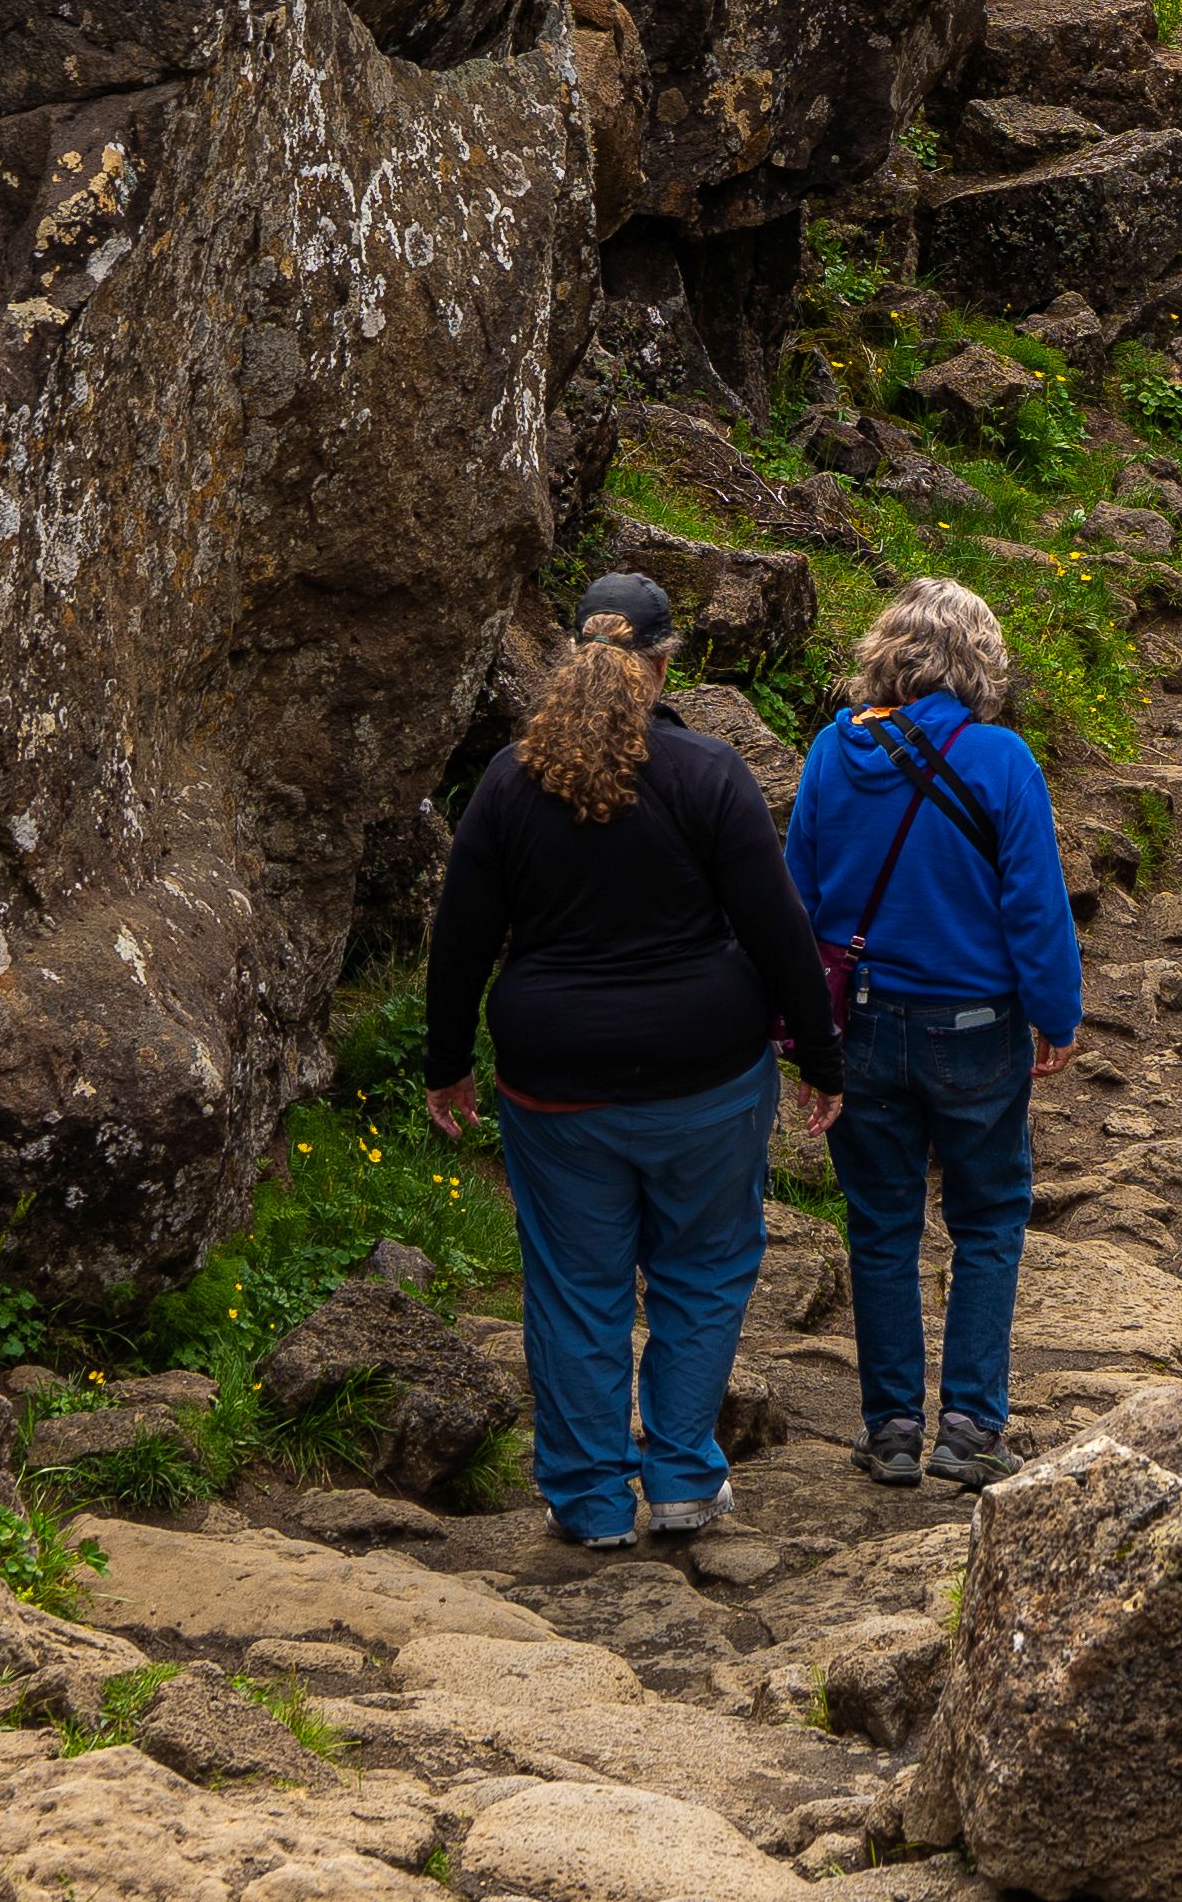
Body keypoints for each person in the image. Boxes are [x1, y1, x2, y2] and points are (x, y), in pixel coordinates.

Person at [419, 571, 840, 1554]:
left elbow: (461, 941)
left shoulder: (510, 782)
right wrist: (822, 1057)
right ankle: (687, 1481)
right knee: (703, 1269)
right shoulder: (709, 774)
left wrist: (447, 1064)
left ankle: (591, 1502)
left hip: (557, 1083)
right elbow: (779, 931)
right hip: (707, 1076)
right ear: (663, 662)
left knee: (578, 1286)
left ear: (573, 655)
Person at [783, 579, 1088, 1493]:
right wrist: (1057, 1012)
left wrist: (806, 1033)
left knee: (880, 1223)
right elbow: (1033, 903)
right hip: (976, 1027)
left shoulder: (832, 755)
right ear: (978, 662)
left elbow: (797, 897)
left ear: (888, 653)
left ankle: (890, 1430)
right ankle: (970, 1425)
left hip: (864, 1021)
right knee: (988, 1219)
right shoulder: (999, 759)